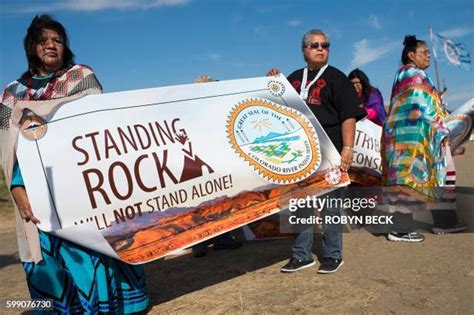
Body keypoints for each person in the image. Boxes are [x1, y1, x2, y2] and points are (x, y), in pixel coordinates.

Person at [0, 15, 149, 313]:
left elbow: (98, 125)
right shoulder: (13, 93)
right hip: (36, 188)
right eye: (44, 41)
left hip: (82, 183)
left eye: (57, 40)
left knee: (91, 245)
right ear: (32, 46)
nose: (51, 46)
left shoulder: (81, 77)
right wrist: (16, 187)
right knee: (47, 251)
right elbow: (9, 150)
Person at [267, 29, 366, 274]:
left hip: (331, 152)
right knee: (300, 205)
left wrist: (348, 148)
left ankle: (333, 255)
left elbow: (348, 116)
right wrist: (272, 81)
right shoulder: (292, 79)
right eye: (315, 45)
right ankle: (302, 256)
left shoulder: (337, 78)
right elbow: (272, 106)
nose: (321, 48)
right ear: (304, 51)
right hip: (300, 155)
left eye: (325, 45)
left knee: (330, 206)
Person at [382, 35, 461, 242]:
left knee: (427, 177)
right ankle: (401, 229)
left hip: (411, 138)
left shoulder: (407, 74)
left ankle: (444, 222)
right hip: (413, 139)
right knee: (409, 179)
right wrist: (444, 127)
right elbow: (421, 107)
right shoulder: (413, 74)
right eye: (424, 52)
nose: (428, 56)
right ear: (411, 55)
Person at [191, 74, 243, 258]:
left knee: (210, 200)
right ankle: (212, 240)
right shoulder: (206, 112)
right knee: (212, 200)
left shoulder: (193, 112)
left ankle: (206, 241)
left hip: (202, 162)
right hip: (207, 162)